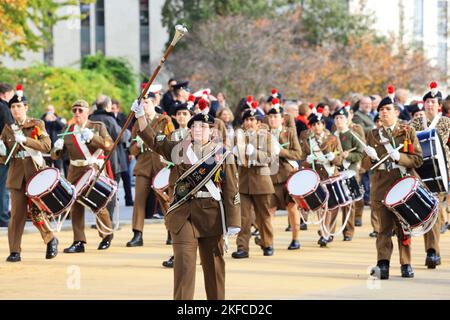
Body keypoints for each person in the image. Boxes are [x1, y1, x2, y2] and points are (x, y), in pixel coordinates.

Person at [131, 99, 241, 300]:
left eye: (204, 127)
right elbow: (155, 141)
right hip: (184, 214)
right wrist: (140, 116)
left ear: (212, 131)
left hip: (212, 215)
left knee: (214, 267)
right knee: (184, 267)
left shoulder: (223, 155)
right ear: (190, 130)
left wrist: (234, 222)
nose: (199, 129)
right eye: (196, 126)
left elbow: (232, 190)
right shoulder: (179, 149)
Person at [362, 86, 422, 279]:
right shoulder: (373, 135)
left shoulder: (407, 131)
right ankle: (383, 264)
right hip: (381, 187)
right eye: (381, 110)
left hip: (402, 185)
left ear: (396, 112)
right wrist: (370, 157)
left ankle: (406, 264)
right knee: (383, 229)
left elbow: (418, 160)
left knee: (403, 228)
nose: (383, 113)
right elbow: (364, 165)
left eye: (387, 109)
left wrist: (400, 158)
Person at [0, 84, 58, 262]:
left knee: (36, 212)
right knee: (17, 215)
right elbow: (4, 159)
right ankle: (15, 250)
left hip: (35, 174)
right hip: (17, 176)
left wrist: (26, 140)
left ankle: (50, 238)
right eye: (13, 107)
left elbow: (47, 146)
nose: (16, 110)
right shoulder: (7, 130)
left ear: (26, 107)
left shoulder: (37, 124)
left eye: (19, 106)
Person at [51, 99, 114, 253]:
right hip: (75, 171)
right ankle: (79, 241)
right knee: (76, 206)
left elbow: (109, 145)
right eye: (75, 110)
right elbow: (55, 156)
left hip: (93, 169)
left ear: (87, 112)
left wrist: (93, 137)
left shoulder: (97, 126)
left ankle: (106, 233)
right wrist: (56, 148)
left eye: (80, 110)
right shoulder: (68, 129)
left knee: (98, 203)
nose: (77, 113)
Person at [410, 82, 450, 269]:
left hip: (440, 171)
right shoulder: (416, 122)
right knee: (428, 211)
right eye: (427, 101)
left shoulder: (446, 122)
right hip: (420, 171)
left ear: (439, 104)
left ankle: (433, 251)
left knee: (434, 209)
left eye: (433, 101)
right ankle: (430, 251)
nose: (430, 104)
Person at [127, 91, 174, 247]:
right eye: (141, 103)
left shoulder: (164, 120)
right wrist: (137, 145)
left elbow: (170, 141)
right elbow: (131, 150)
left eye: (146, 102)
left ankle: (171, 231)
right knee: (139, 199)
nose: (144, 106)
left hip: (160, 164)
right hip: (143, 164)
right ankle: (137, 234)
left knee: (164, 199)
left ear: (154, 103)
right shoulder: (136, 124)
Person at [232, 104, 275, 258]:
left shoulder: (267, 137)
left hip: (261, 182)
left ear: (258, 122)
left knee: (263, 216)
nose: (249, 123)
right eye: (246, 120)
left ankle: (267, 243)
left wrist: (254, 152)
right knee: (243, 217)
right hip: (243, 182)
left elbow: (270, 157)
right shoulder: (238, 137)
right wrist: (233, 154)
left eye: (252, 119)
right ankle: (242, 248)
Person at [299, 112, 343, 247]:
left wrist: (333, 158)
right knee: (320, 206)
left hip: (331, 175)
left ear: (323, 125)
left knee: (330, 206)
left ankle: (326, 232)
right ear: (311, 127)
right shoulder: (307, 141)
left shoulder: (333, 139)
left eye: (319, 124)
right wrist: (307, 161)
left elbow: (340, 159)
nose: (317, 127)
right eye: (314, 125)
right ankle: (324, 232)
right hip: (317, 176)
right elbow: (301, 159)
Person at [266, 99, 302, 249]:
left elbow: (298, 154)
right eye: (271, 117)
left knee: (292, 208)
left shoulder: (289, 133)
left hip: (288, 175)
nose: (273, 119)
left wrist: (281, 151)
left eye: (276, 117)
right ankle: (269, 242)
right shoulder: (264, 134)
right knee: (269, 210)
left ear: (282, 118)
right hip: (270, 176)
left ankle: (295, 239)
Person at [90, 95, 129, 225]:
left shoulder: (90, 120)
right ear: (107, 106)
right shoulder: (109, 120)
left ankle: (99, 220)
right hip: (112, 160)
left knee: (97, 191)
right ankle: (109, 220)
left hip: (93, 161)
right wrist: (127, 133)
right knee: (110, 192)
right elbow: (121, 138)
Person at [332, 107, 364, 241]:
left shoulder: (352, 135)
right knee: (333, 203)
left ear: (347, 119)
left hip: (350, 172)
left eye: (341, 118)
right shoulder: (332, 136)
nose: (339, 120)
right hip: (334, 172)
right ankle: (329, 231)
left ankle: (348, 232)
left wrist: (349, 155)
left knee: (349, 203)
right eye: (337, 118)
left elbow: (361, 153)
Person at [111, 99, 133, 206]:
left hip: (123, 150)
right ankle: (114, 199)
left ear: (118, 109)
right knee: (115, 176)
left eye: (114, 108)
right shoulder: (109, 119)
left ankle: (128, 198)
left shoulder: (123, 118)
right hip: (113, 150)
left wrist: (131, 152)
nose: (112, 110)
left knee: (126, 175)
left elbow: (128, 134)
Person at [0, 83, 14, 228]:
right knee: (3, 186)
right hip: (2, 153)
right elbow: (10, 129)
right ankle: (3, 217)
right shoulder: (4, 108)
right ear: (5, 94)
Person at [40, 105, 66, 170]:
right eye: (48, 110)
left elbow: (63, 127)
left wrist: (55, 119)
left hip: (56, 148)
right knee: (46, 168)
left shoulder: (58, 118)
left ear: (54, 110)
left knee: (58, 167)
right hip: (46, 148)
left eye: (51, 110)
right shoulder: (42, 120)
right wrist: (45, 120)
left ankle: (59, 180)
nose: (49, 112)